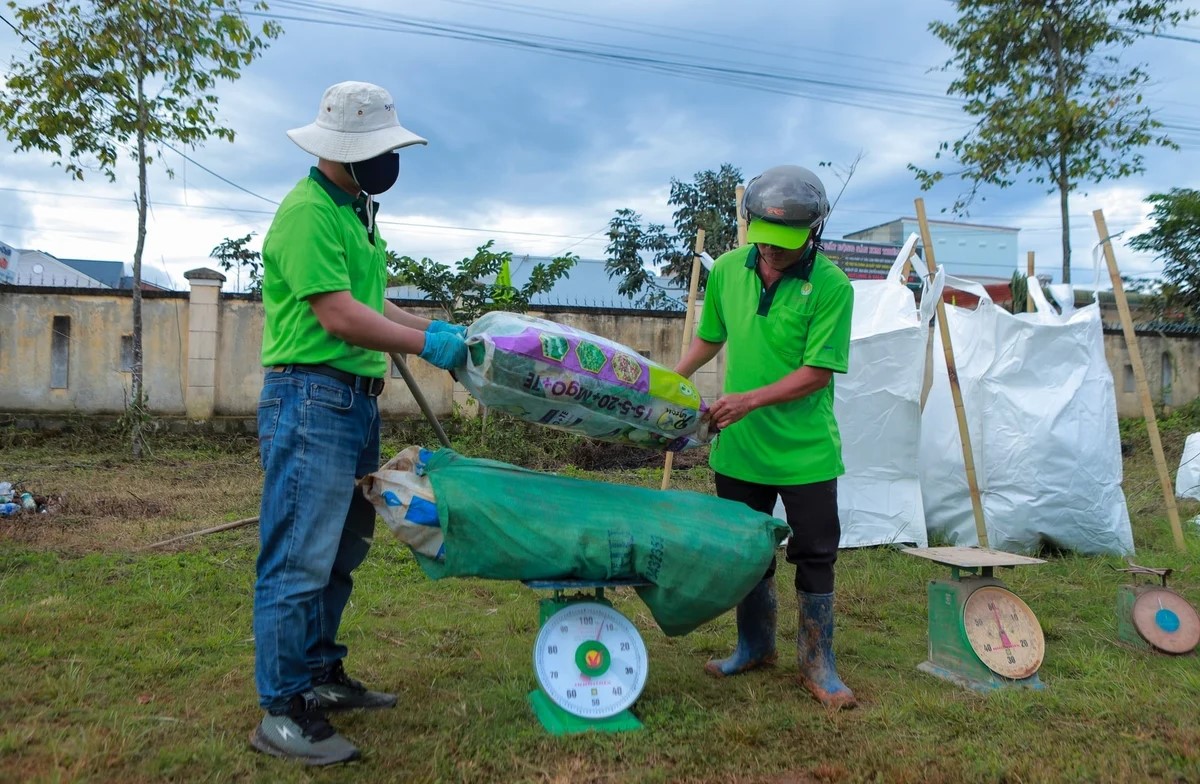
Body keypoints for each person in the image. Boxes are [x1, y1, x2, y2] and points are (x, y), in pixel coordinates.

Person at [249, 80, 468, 766]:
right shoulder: (308, 213)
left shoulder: (357, 213)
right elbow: (339, 317)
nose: (388, 161)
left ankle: (319, 676)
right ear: (343, 149)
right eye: (378, 149)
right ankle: (282, 711)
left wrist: (432, 329)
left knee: (341, 555)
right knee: (298, 559)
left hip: (349, 404)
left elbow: (372, 304)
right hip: (310, 400)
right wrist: (421, 345)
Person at [674, 164, 856, 709]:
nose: (773, 253)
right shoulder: (728, 269)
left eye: (787, 244)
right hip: (739, 448)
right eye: (766, 242)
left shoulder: (832, 287)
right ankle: (753, 645)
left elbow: (817, 372)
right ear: (748, 223)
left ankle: (817, 661)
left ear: (814, 233)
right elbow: (710, 338)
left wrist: (749, 400)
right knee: (746, 551)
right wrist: (664, 383)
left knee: (816, 553)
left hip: (806, 453)